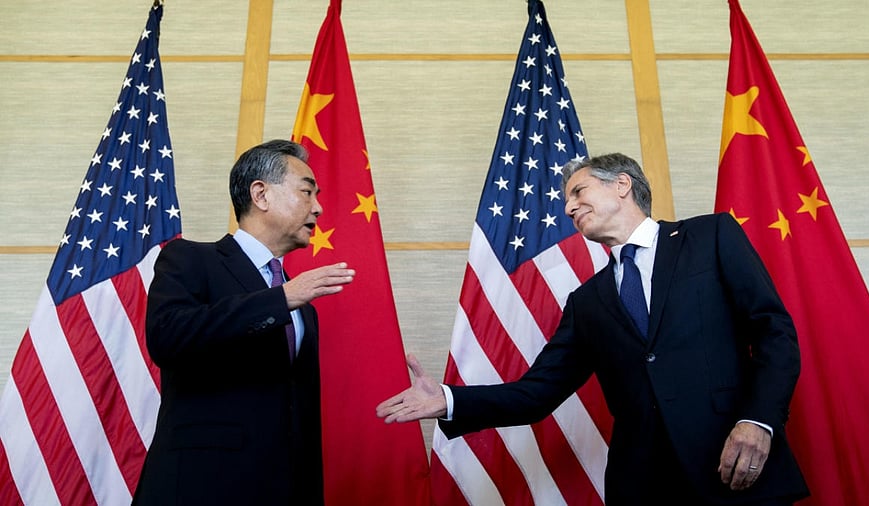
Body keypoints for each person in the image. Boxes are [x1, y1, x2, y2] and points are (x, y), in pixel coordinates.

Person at [377, 153, 810, 505]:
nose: (568, 208)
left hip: (732, 465)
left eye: (578, 191)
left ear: (622, 184)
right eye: (566, 201)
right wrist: (449, 400)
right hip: (644, 486)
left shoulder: (710, 236)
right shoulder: (586, 303)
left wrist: (759, 421)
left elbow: (774, 332)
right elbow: (537, 393)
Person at [132, 139, 355, 505]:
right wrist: (280, 299)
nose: (318, 208)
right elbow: (167, 336)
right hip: (199, 488)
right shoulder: (190, 259)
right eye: (306, 192)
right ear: (261, 195)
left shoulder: (303, 308)